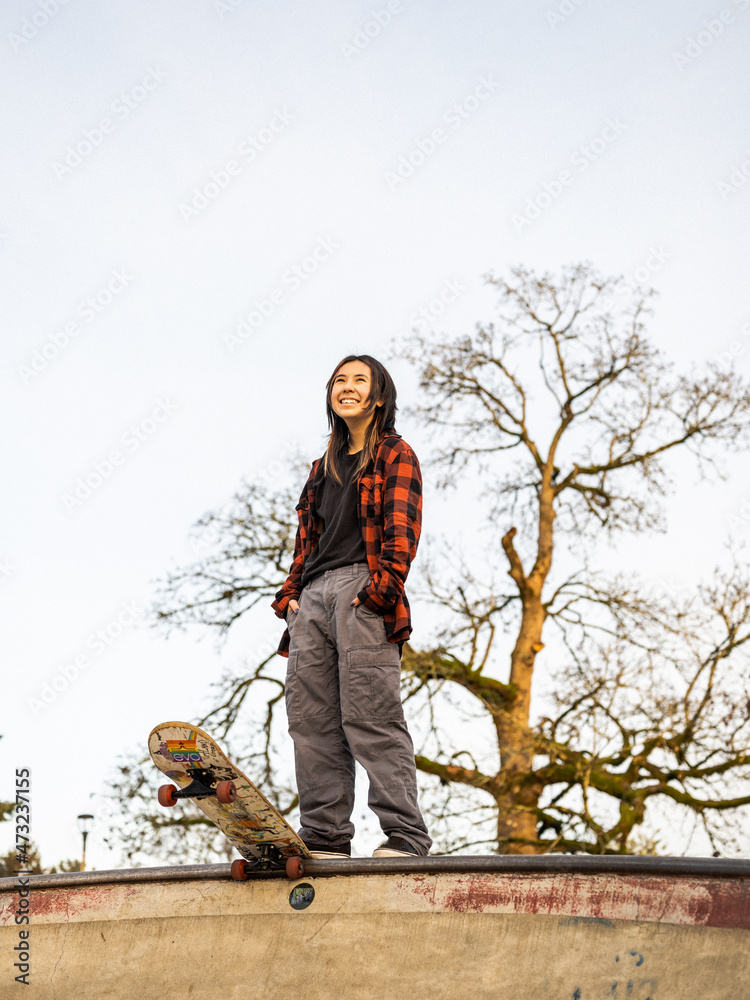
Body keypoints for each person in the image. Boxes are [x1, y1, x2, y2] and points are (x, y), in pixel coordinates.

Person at [271, 354, 432, 859]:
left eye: (358, 380)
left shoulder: (394, 453)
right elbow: (307, 541)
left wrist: (379, 593)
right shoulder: (321, 468)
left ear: (378, 396)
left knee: (371, 716)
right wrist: (292, 597)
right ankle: (324, 837)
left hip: (363, 588)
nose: (346, 387)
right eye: (339, 380)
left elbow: (401, 532)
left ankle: (406, 837)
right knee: (311, 721)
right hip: (313, 598)